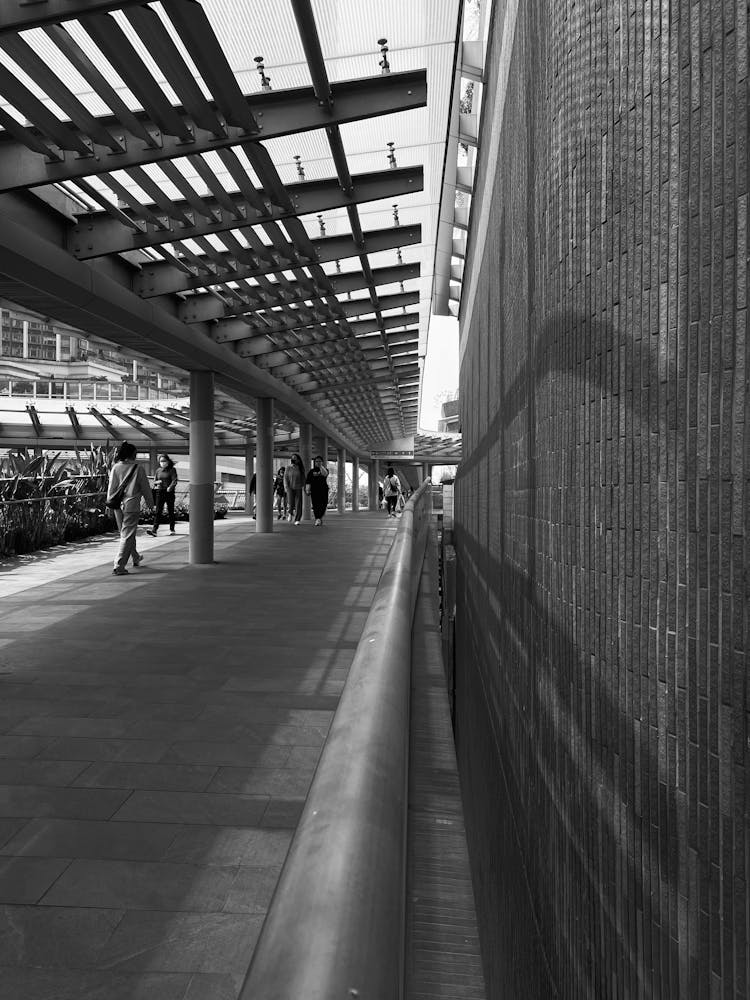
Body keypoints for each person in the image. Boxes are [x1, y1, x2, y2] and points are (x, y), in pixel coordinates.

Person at [107, 441, 153, 576]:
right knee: (127, 535)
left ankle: (136, 557)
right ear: (132, 454)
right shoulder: (138, 469)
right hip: (131, 506)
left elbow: (111, 488)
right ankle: (119, 565)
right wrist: (151, 504)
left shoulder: (116, 467)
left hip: (117, 506)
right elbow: (145, 488)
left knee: (126, 533)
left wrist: (110, 505)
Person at [146, 453, 178, 537]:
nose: (162, 462)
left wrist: (170, 487)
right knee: (158, 511)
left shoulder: (172, 470)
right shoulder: (158, 470)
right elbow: (155, 481)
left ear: (168, 461)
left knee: (170, 510)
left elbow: (174, 480)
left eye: (164, 461)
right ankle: (154, 530)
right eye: (161, 461)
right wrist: (157, 483)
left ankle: (172, 529)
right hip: (159, 492)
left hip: (169, 493)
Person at [305, 455, 329, 526]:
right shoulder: (311, 471)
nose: (318, 462)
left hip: (324, 490)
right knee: (315, 505)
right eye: (316, 461)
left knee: (324, 504)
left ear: (322, 462)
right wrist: (307, 490)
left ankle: (320, 517)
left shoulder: (325, 470)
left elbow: (325, 474)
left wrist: (320, 466)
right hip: (314, 490)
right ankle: (317, 518)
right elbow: (308, 481)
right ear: (314, 462)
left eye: (319, 461)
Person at [284, 453, 306, 524]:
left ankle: (297, 519)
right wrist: (286, 486)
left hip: (298, 487)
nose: (293, 459)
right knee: (290, 502)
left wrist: (305, 487)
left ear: (298, 460)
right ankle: (290, 513)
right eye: (292, 458)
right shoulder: (288, 467)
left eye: (295, 458)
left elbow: (303, 478)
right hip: (290, 487)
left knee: (298, 503)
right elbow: (285, 477)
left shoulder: (300, 468)